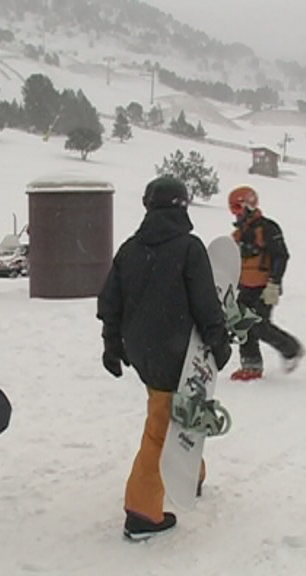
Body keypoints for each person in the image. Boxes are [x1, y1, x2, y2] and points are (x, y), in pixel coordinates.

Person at [96, 176, 232, 541]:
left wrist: (111, 345)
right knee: (162, 426)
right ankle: (141, 513)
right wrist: (218, 343)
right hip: (178, 351)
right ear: (182, 207)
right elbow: (206, 303)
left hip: (143, 351)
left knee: (177, 409)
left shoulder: (129, 249)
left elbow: (110, 302)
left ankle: (190, 472)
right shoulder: (189, 248)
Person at [227, 185, 304, 380]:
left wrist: (274, 283)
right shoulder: (238, 234)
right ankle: (251, 365)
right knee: (242, 323)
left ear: (249, 206)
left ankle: (292, 349)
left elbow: (281, 255)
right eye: (233, 210)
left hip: (265, 287)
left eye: (238, 209)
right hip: (246, 286)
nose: (235, 215)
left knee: (260, 325)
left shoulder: (268, 228)